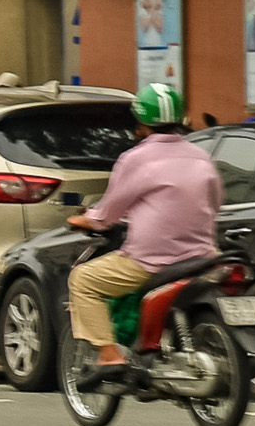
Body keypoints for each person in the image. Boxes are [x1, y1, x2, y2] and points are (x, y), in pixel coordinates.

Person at [65, 83, 221, 384]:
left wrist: (85, 219)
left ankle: (110, 356)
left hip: (151, 261)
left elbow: (107, 216)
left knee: (82, 280)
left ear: (141, 124)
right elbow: (214, 204)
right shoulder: (201, 156)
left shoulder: (135, 159)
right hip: (202, 257)